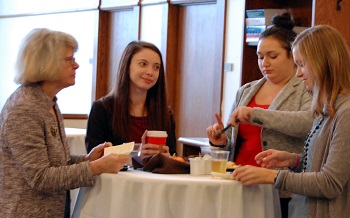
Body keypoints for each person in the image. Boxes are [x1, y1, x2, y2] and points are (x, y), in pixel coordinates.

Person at [0, 28, 130, 218]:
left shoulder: (47, 102)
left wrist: (88, 159)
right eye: (69, 59)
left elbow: (54, 163)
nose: (76, 65)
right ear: (46, 63)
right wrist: (97, 167)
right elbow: (40, 177)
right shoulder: (25, 108)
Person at [232, 25, 350, 218]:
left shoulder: (345, 113)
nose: (299, 73)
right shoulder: (327, 108)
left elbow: (331, 183)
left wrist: (274, 176)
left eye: (302, 65)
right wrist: (294, 160)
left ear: (324, 64)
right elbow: (323, 162)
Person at [206, 13, 313, 217]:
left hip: (281, 190)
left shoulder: (304, 89)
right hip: (239, 185)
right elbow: (233, 139)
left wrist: (258, 114)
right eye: (260, 57)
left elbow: (308, 123)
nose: (265, 63)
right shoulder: (246, 91)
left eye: (273, 56)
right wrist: (220, 140)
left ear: (293, 56)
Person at [85, 41, 176, 156]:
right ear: (126, 66)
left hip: (155, 174)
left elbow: (174, 155)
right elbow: (94, 158)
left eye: (156, 67)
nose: (150, 72)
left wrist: (168, 159)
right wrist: (136, 156)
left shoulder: (165, 114)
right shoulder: (102, 109)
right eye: (143, 64)